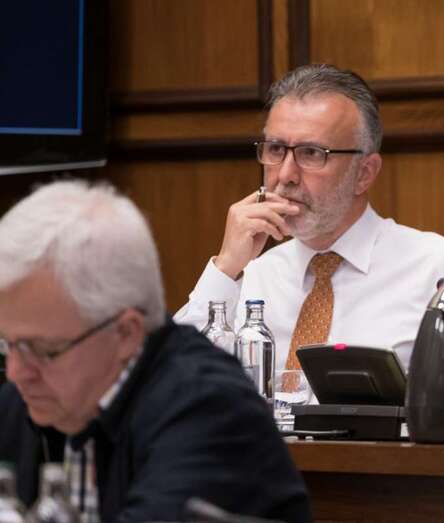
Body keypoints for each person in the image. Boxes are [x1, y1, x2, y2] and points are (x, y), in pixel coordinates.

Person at [0, 180, 310, 522]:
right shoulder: (25, 402)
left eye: (42, 350)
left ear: (125, 334)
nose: (16, 372)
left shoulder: (209, 411)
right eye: (8, 345)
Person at [175, 64, 444, 372]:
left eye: (311, 153)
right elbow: (163, 383)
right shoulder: (246, 278)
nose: (286, 175)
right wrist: (225, 268)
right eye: (276, 149)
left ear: (364, 173)